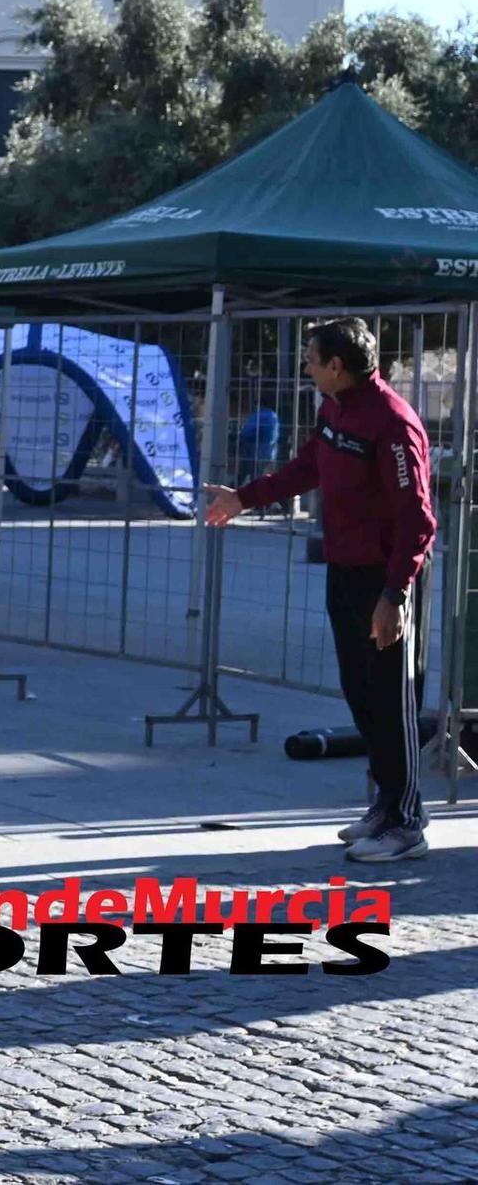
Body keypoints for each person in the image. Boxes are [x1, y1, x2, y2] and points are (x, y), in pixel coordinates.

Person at [205, 317, 436, 863]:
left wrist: (394, 596)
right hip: (344, 570)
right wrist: (244, 498)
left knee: (391, 698)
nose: (305, 366)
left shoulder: (392, 424)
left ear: (337, 365)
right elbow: (309, 465)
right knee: (359, 692)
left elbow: (418, 522)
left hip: (385, 580)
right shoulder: (333, 408)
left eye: (311, 358)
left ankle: (406, 824)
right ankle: (389, 803)